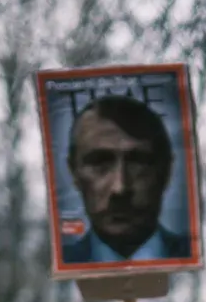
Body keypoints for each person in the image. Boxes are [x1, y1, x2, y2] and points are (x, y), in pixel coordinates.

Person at [60, 96, 190, 265]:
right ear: (74, 172)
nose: (119, 188)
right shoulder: (52, 273)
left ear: (166, 171)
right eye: (99, 162)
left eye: (138, 163)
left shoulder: (204, 266)